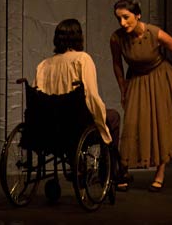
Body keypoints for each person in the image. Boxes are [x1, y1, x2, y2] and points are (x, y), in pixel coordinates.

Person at [110, 0, 172, 192]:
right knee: (133, 124)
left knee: (161, 124)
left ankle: (160, 174)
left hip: (160, 78)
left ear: (137, 15)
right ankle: (123, 171)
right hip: (137, 79)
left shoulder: (154, 33)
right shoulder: (117, 38)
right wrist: (122, 87)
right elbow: (117, 64)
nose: (122, 23)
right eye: (119, 18)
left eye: (126, 17)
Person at [33, 18, 121, 171]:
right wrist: (102, 126)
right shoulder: (82, 59)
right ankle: (110, 171)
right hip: (75, 125)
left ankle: (79, 163)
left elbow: (37, 99)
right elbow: (91, 96)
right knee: (113, 117)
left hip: (50, 127)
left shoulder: (43, 65)